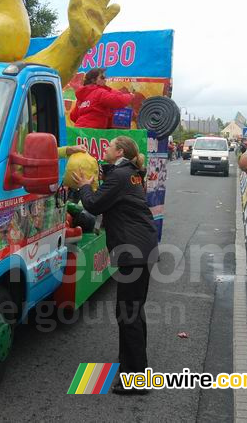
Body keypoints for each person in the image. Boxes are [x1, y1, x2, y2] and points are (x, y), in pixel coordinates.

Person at [72, 136, 158, 395]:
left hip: (134, 251)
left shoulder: (121, 175)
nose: (105, 149)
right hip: (142, 247)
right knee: (133, 311)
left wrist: (86, 186)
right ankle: (134, 366)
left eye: (108, 146)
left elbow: (94, 204)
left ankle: (136, 378)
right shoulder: (129, 173)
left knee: (128, 313)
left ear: (119, 151)